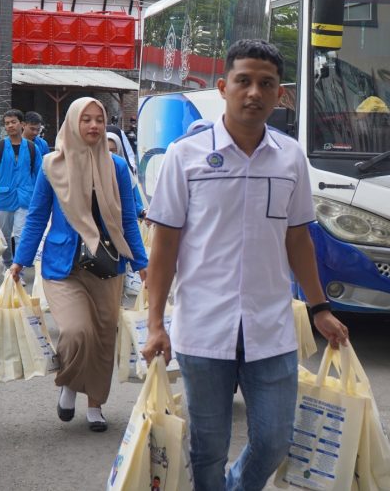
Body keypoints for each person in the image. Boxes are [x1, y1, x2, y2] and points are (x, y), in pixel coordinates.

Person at [141, 39, 349, 490]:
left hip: (270, 327)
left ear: (280, 94)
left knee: (275, 441)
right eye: (244, 81)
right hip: (203, 328)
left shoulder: (291, 156)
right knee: (207, 447)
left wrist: (320, 308)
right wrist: (155, 322)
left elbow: (298, 238)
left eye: (266, 83)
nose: (254, 92)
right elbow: (165, 247)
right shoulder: (186, 155)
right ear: (223, 87)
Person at [9, 97, 149, 432]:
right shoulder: (51, 165)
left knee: (102, 339)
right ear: (73, 123)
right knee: (76, 332)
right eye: (85, 119)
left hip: (106, 266)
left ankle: (96, 406)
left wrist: (142, 263)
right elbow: (37, 217)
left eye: (99, 120)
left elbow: (128, 220)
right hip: (63, 266)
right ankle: (69, 384)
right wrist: (20, 261)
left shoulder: (116, 167)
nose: (93, 126)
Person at [0, 109, 43, 276]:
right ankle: (7, 264)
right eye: (7, 123)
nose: (10, 126)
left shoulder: (33, 148)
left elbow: (41, 176)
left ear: (22, 124)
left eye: (13, 122)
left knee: (21, 235)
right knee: (4, 236)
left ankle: (18, 272)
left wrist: (44, 199)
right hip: (4, 198)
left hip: (26, 198)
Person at [107, 131, 145, 219]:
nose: (110, 154)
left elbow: (131, 203)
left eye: (113, 150)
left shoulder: (125, 172)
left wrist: (142, 211)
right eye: (106, 150)